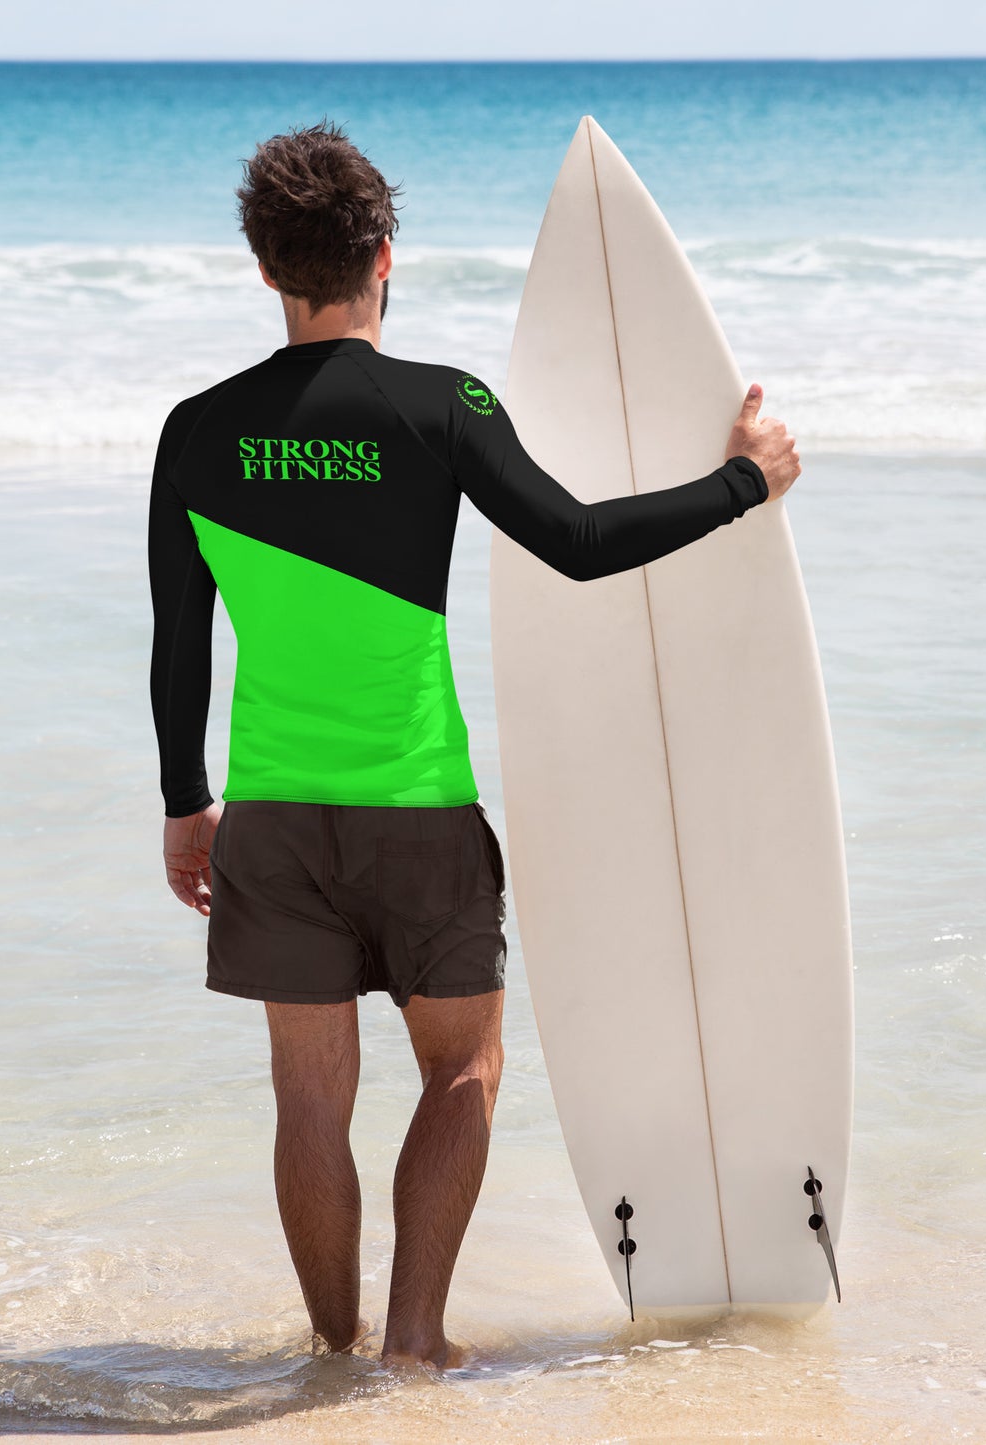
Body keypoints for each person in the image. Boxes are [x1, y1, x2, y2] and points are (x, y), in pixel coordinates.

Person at [147, 119, 801, 1372]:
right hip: (421, 815)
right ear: (384, 254)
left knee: (308, 1097)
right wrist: (741, 483)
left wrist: (188, 803)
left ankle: (329, 1351)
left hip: (272, 818)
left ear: (265, 267)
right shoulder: (440, 406)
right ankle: (412, 1340)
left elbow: (180, 641)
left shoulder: (196, 429)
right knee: (461, 1071)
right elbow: (577, 542)